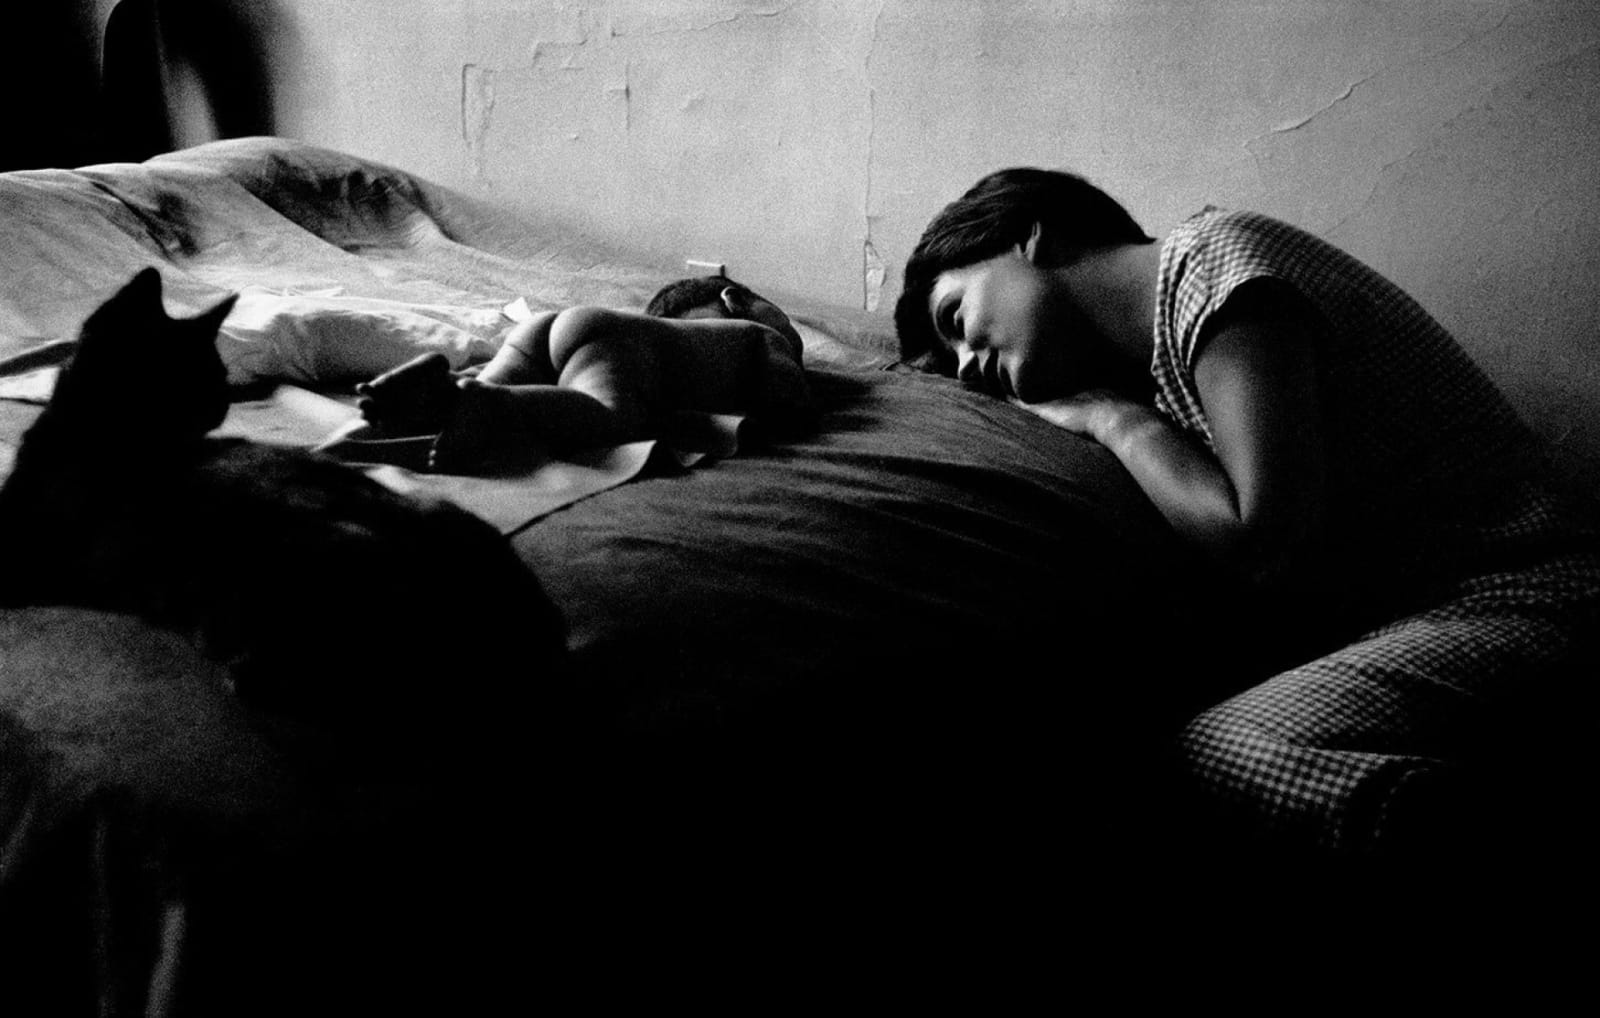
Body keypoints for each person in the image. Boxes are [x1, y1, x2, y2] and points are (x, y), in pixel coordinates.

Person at [895, 167, 1600, 858]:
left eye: (956, 318)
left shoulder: (1215, 259)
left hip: (1531, 593)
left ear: (1030, 238)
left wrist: (1113, 420)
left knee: (1230, 755)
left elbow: (1262, 544)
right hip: (1443, 612)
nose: (963, 363)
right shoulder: (1165, 365)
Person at [353, 275, 813, 470]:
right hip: (597, 340)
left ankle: (441, 388)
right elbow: (788, 398)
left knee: (489, 386)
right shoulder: (759, 333)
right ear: (735, 301)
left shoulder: (648, 331)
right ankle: (494, 404)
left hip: (543, 328)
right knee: (607, 415)